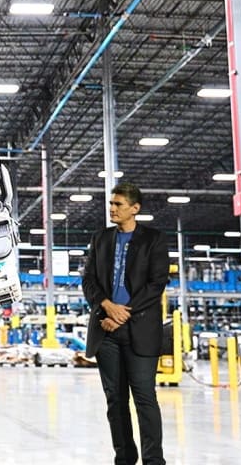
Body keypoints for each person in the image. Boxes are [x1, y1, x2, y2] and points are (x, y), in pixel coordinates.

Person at [81, 182, 170, 465]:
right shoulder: (101, 238)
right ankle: (124, 457)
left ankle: (154, 460)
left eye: (118, 204)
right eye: (111, 204)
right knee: (115, 402)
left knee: (145, 398)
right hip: (105, 330)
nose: (112, 209)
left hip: (140, 331)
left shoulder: (154, 239)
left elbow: (156, 284)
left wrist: (122, 313)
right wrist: (107, 306)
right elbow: (89, 280)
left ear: (135, 209)